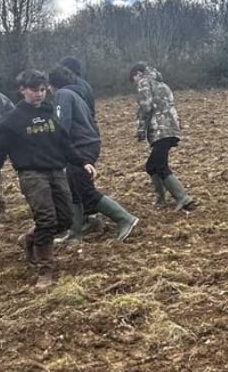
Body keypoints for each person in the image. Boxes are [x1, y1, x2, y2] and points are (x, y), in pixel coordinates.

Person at [0, 70, 81, 288]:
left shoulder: (49, 112)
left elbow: (64, 142)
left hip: (56, 170)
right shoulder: (12, 120)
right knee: (46, 219)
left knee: (65, 219)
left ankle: (30, 238)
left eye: (43, 90)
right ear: (23, 90)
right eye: (34, 90)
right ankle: (45, 270)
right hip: (31, 173)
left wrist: (83, 162)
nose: (39, 94)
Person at [49, 65, 139, 242]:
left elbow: (62, 125)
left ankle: (125, 218)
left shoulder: (62, 95)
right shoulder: (76, 93)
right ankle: (75, 233)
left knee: (85, 190)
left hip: (80, 146)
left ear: (53, 84)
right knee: (74, 188)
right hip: (87, 144)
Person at [130, 62, 193, 210]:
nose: (135, 84)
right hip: (171, 128)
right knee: (151, 166)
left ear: (138, 74)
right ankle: (161, 200)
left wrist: (141, 130)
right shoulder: (162, 84)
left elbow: (146, 107)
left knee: (159, 165)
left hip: (160, 129)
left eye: (134, 80)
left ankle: (183, 198)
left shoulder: (144, 82)